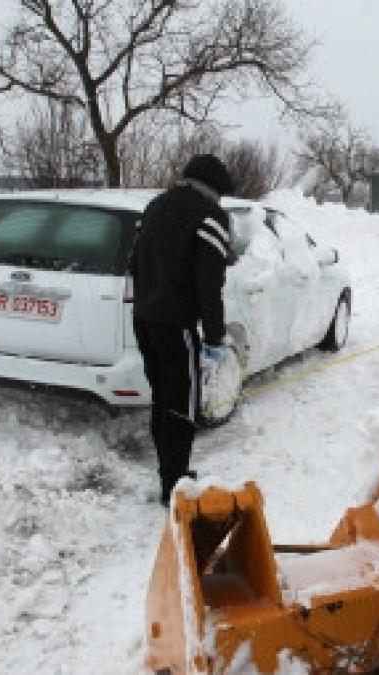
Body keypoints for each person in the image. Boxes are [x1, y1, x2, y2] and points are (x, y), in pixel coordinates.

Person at [131, 154, 236, 507]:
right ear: (214, 189)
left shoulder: (155, 206)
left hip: (144, 319)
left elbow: (135, 263)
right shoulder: (210, 216)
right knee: (182, 405)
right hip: (177, 326)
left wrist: (149, 300)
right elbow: (209, 284)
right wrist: (215, 334)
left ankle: (170, 472)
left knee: (162, 399)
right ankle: (174, 486)